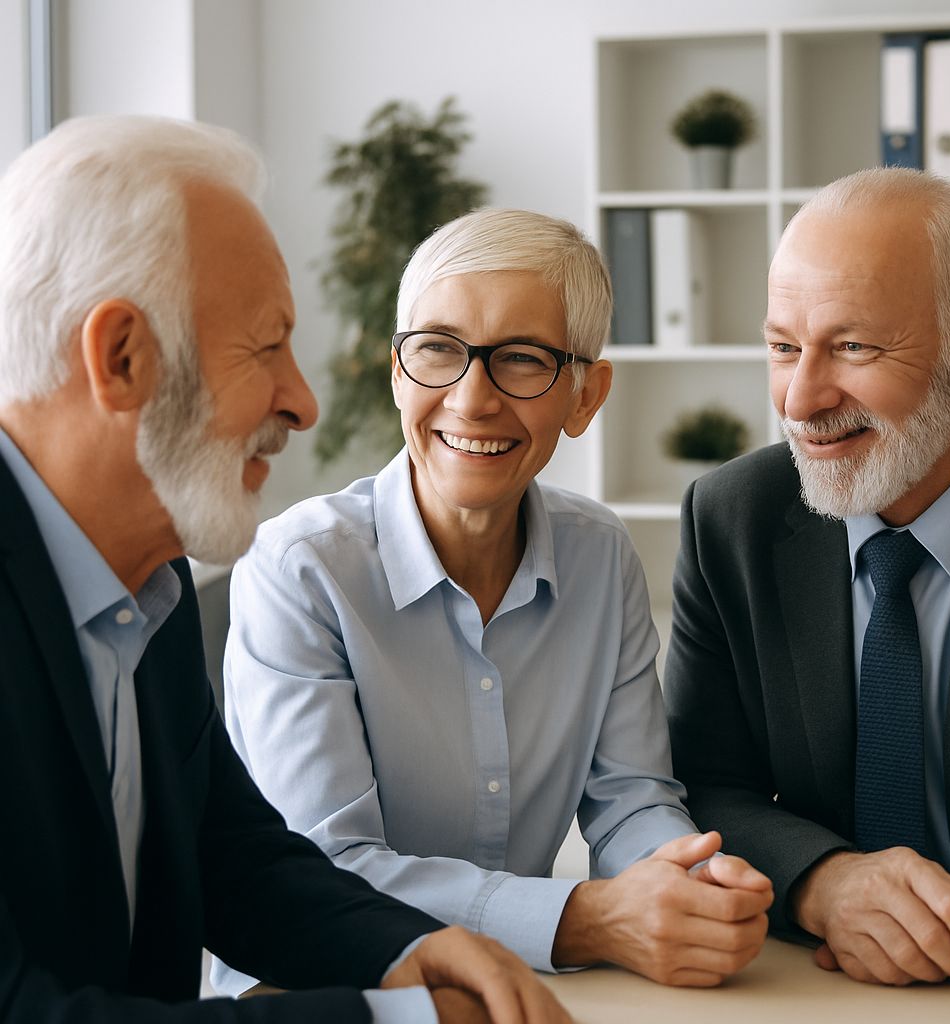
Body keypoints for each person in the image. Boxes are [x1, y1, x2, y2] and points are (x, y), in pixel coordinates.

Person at [0, 114, 572, 1024]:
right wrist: (402, 1022)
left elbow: (228, 853)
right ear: (121, 358)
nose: (302, 401)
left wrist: (408, 948)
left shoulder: (148, 576)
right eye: (266, 346)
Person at [212, 208, 774, 996]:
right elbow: (326, 872)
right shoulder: (301, 568)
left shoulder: (600, 555)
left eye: (521, 359)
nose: (472, 400)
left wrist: (692, 881)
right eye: (438, 350)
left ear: (586, 394)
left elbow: (630, 800)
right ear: (399, 372)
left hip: (509, 991)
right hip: (309, 996)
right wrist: (593, 918)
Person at [663, 166, 950, 986]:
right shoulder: (731, 518)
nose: (800, 398)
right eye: (784, 347)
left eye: (854, 347)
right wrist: (826, 882)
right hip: (816, 982)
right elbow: (700, 786)